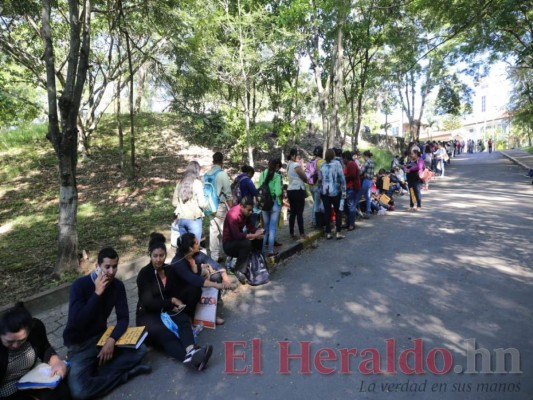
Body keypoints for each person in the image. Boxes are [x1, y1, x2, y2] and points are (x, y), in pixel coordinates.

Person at [63, 247, 151, 400]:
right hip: (79, 345)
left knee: (141, 349)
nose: (111, 271)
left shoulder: (117, 286)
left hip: (101, 338)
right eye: (107, 267)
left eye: (115, 266)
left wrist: (111, 340)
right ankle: (123, 376)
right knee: (79, 392)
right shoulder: (80, 286)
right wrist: (97, 293)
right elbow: (77, 323)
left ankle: (96, 372)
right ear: (97, 266)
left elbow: (123, 318)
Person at [136, 233, 213, 370]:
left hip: (166, 310)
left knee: (183, 320)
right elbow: (148, 303)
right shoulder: (144, 274)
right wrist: (171, 301)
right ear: (150, 255)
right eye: (155, 256)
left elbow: (177, 290)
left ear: (165, 255)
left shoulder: (169, 270)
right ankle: (192, 359)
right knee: (166, 334)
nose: (159, 260)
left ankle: (191, 350)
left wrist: (179, 304)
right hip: (148, 315)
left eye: (162, 256)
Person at [0, 303, 70, 400]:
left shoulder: (36, 329)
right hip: (7, 391)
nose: (16, 345)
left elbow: (45, 348)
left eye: (21, 340)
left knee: (63, 392)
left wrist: (56, 361)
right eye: (9, 341)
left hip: (33, 380)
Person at [170, 233, 234, 324]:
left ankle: (212, 314)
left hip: (195, 284)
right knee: (195, 289)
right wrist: (217, 285)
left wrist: (225, 279)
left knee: (216, 276)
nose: (198, 243)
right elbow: (194, 280)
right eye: (196, 243)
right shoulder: (178, 262)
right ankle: (190, 317)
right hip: (182, 294)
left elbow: (215, 265)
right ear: (190, 248)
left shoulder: (197, 254)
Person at [222, 196, 264, 284]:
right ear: (241, 206)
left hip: (237, 241)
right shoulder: (232, 215)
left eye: (251, 210)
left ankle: (257, 264)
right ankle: (239, 270)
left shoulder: (246, 213)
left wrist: (258, 232)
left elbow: (251, 227)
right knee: (247, 243)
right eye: (249, 210)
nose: (250, 212)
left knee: (259, 239)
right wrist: (253, 235)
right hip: (229, 244)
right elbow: (237, 235)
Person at [205, 152, 233, 263]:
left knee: (213, 231)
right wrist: (232, 209)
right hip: (220, 207)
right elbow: (228, 193)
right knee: (226, 231)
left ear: (213, 161)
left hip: (209, 207)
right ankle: (231, 256)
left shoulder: (206, 175)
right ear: (222, 162)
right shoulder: (222, 174)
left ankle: (214, 257)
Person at [172, 160, 206, 244]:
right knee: (194, 246)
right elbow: (202, 204)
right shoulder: (197, 183)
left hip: (181, 219)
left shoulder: (179, 183)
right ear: (197, 171)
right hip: (194, 220)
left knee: (184, 247)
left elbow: (174, 203)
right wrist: (208, 203)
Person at [318, 149, 347, 240]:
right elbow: (342, 178)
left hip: (324, 192)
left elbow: (319, 179)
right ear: (333, 155)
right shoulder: (337, 164)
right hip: (335, 192)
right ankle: (338, 232)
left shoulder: (322, 165)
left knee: (327, 212)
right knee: (338, 211)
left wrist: (320, 191)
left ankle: (328, 233)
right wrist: (344, 191)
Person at [258, 158, 283, 257]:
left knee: (265, 228)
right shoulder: (277, 176)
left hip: (264, 204)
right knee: (272, 228)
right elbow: (278, 192)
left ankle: (262, 250)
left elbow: (260, 187)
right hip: (274, 203)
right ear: (276, 166)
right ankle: (270, 251)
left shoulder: (262, 174)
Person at [286, 148, 308, 239]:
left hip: (290, 189)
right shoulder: (295, 165)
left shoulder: (288, 164)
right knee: (299, 213)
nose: (297, 157)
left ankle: (291, 232)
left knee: (293, 212)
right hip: (298, 190)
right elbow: (304, 177)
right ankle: (302, 233)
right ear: (292, 155)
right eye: (296, 155)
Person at [305, 146, 325, 228]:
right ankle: (316, 222)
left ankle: (313, 220)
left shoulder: (310, 162)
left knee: (315, 203)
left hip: (310, 185)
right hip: (318, 185)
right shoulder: (322, 162)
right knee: (318, 204)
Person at [342, 151, 360, 231]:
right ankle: (348, 222)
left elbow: (352, 175)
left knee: (351, 206)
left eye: (343, 158)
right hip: (348, 187)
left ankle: (352, 224)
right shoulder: (348, 164)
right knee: (346, 205)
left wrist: (344, 178)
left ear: (346, 158)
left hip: (351, 187)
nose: (343, 160)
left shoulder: (351, 164)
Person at [357, 150, 375, 218]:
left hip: (366, 180)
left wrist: (358, 172)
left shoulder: (367, 162)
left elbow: (361, 171)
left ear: (365, 156)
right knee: (367, 197)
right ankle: (368, 211)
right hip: (370, 181)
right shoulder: (372, 162)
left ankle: (355, 210)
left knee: (359, 195)